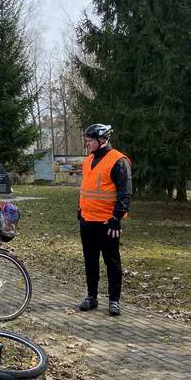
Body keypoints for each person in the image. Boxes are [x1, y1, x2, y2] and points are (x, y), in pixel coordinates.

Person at [77, 124, 132, 317]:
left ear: (102, 140)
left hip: (107, 222)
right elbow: (86, 188)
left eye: (90, 140)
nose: (87, 143)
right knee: (90, 261)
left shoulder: (118, 160)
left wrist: (117, 218)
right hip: (87, 220)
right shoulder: (88, 160)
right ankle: (91, 297)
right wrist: (80, 210)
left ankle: (114, 300)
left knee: (112, 261)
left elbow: (125, 193)